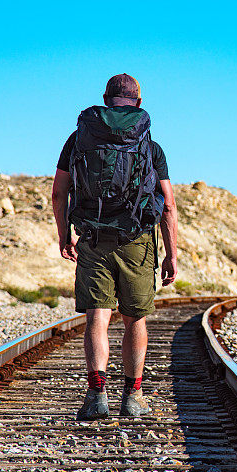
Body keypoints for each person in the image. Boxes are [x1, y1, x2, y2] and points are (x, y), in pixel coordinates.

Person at [51, 73, 178, 420]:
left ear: (106, 100)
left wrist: (64, 235)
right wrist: (171, 253)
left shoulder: (79, 139)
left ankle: (96, 397)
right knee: (135, 319)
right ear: (138, 103)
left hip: (92, 237)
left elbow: (59, 192)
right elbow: (166, 203)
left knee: (97, 317)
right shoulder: (150, 146)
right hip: (137, 240)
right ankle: (132, 398)